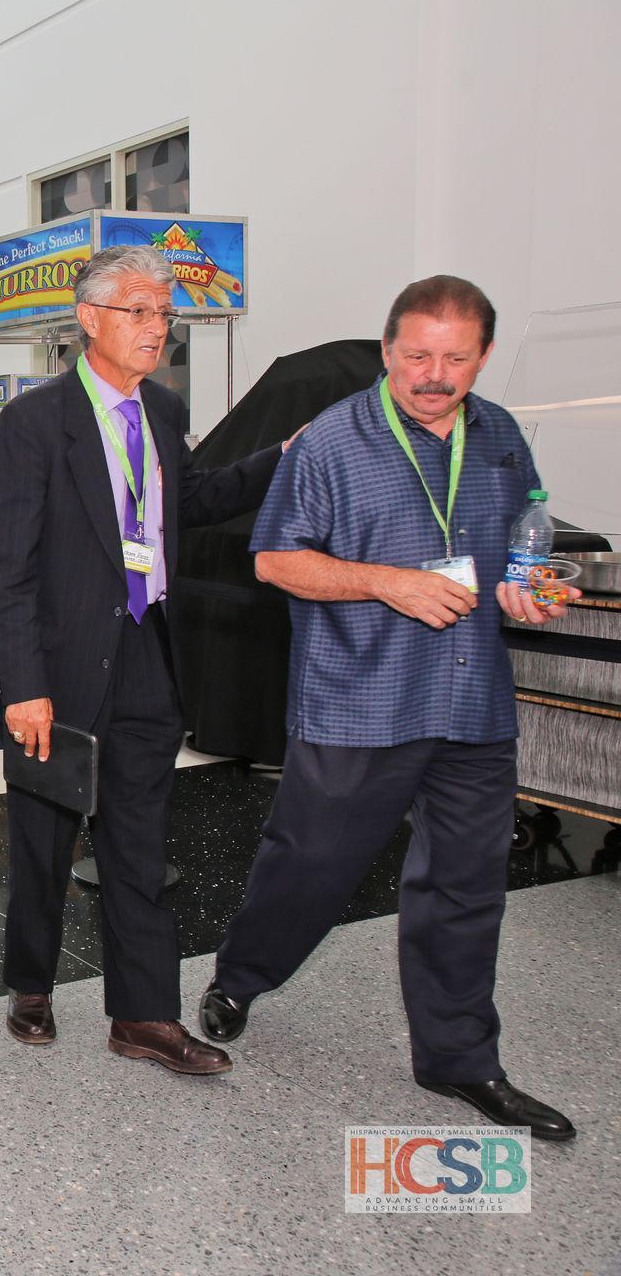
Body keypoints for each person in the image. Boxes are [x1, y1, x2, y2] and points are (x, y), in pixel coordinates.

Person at [201, 276, 579, 1138]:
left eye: (454, 357)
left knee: (467, 886)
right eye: (417, 355)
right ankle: (240, 975)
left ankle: (461, 1059)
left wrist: (528, 590)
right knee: (310, 866)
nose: (434, 374)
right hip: (359, 698)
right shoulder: (331, 442)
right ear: (387, 352)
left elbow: (527, 530)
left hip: (472, 700)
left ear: (482, 356)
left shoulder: (501, 436)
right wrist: (389, 585)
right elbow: (275, 561)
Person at [0, 245, 288, 1075]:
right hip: (61, 669)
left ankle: (143, 1016)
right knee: (43, 841)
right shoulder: (34, 423)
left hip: (148, 658)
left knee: (139, 847)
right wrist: (24, 688)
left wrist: (278, 462)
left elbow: (187, 502)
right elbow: (2, 567)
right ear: (90, 321)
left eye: (164, 315)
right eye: (140, 312)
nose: (158, 329)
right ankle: (30, 983)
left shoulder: (167, 415)